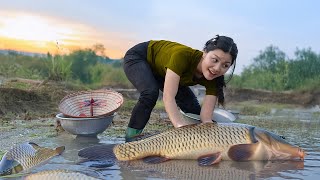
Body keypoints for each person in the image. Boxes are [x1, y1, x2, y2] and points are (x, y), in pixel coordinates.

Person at [123, 35, 238, 141]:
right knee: (150, 93)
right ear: (204, 53)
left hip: (162, 71)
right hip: (139, 58)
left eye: (225, 65)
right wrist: (179, 126)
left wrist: (212, 134)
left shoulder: (215, 77)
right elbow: (169, 97)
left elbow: (206, 117)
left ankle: (194, 141)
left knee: (192, 107)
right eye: (215, 60)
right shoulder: (182, 56)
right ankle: (131, 138)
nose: (217, 68)